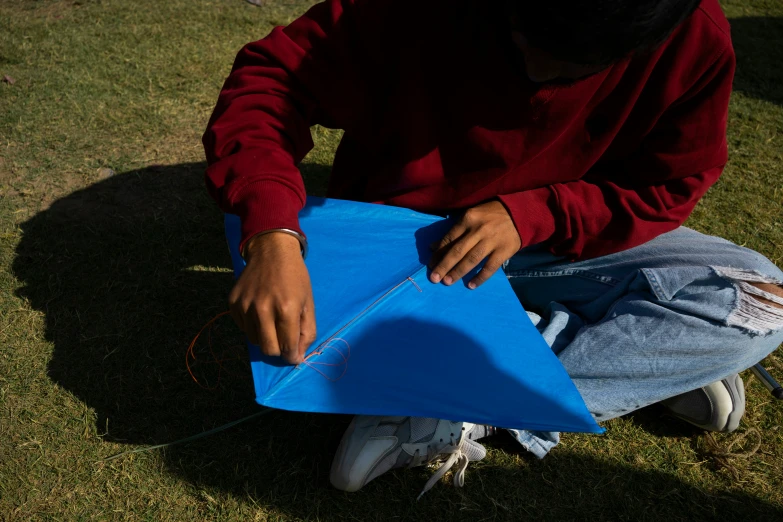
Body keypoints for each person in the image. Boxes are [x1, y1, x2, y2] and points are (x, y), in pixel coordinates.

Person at [203, 0, 783, 495]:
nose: (535, 71)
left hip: (554, 243)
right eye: (520, 40)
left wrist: (535, 214)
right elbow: (271, 84)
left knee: (765, 300)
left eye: (573, 67)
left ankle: (445, 400)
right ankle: (603, 362)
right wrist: (271, 232)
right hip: (405, 247)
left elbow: (666, 186)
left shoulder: (693, 33)